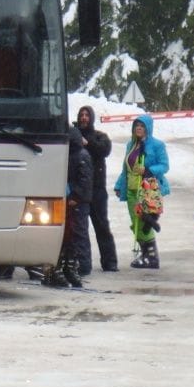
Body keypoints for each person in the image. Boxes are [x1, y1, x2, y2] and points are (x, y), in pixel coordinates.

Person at [29, 127, 92, 287]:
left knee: (72, 236)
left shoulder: (79, 156)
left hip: (73, 201)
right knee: (65, 236)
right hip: (67, 200)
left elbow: (84, 180)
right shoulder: (71, 155)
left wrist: (75, 196)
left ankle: (66, 267)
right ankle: (60, 268)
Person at [114, 114, 170, 269]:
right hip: (132, 189)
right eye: (136, 126)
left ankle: (152, 256)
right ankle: (146, 254)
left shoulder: (157, 145)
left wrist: (148, 169)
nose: (139, 128)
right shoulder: (130, 145)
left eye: (142, 126)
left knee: (145, 221)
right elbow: (126, 168)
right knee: (135, 223)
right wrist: (119, 185)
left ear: (148, 128)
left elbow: (164, 166)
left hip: (147, 190)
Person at [75, 105, 118, 273]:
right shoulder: (74, 136)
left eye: (87, 115)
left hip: (98, 190)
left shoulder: (100, 137)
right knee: (80, 228)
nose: (84, 118)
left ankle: (110, 262)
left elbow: (104, 150)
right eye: (81, 115)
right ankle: (83, 263)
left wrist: (87, 143)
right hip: (80, 190)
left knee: (102, 226)